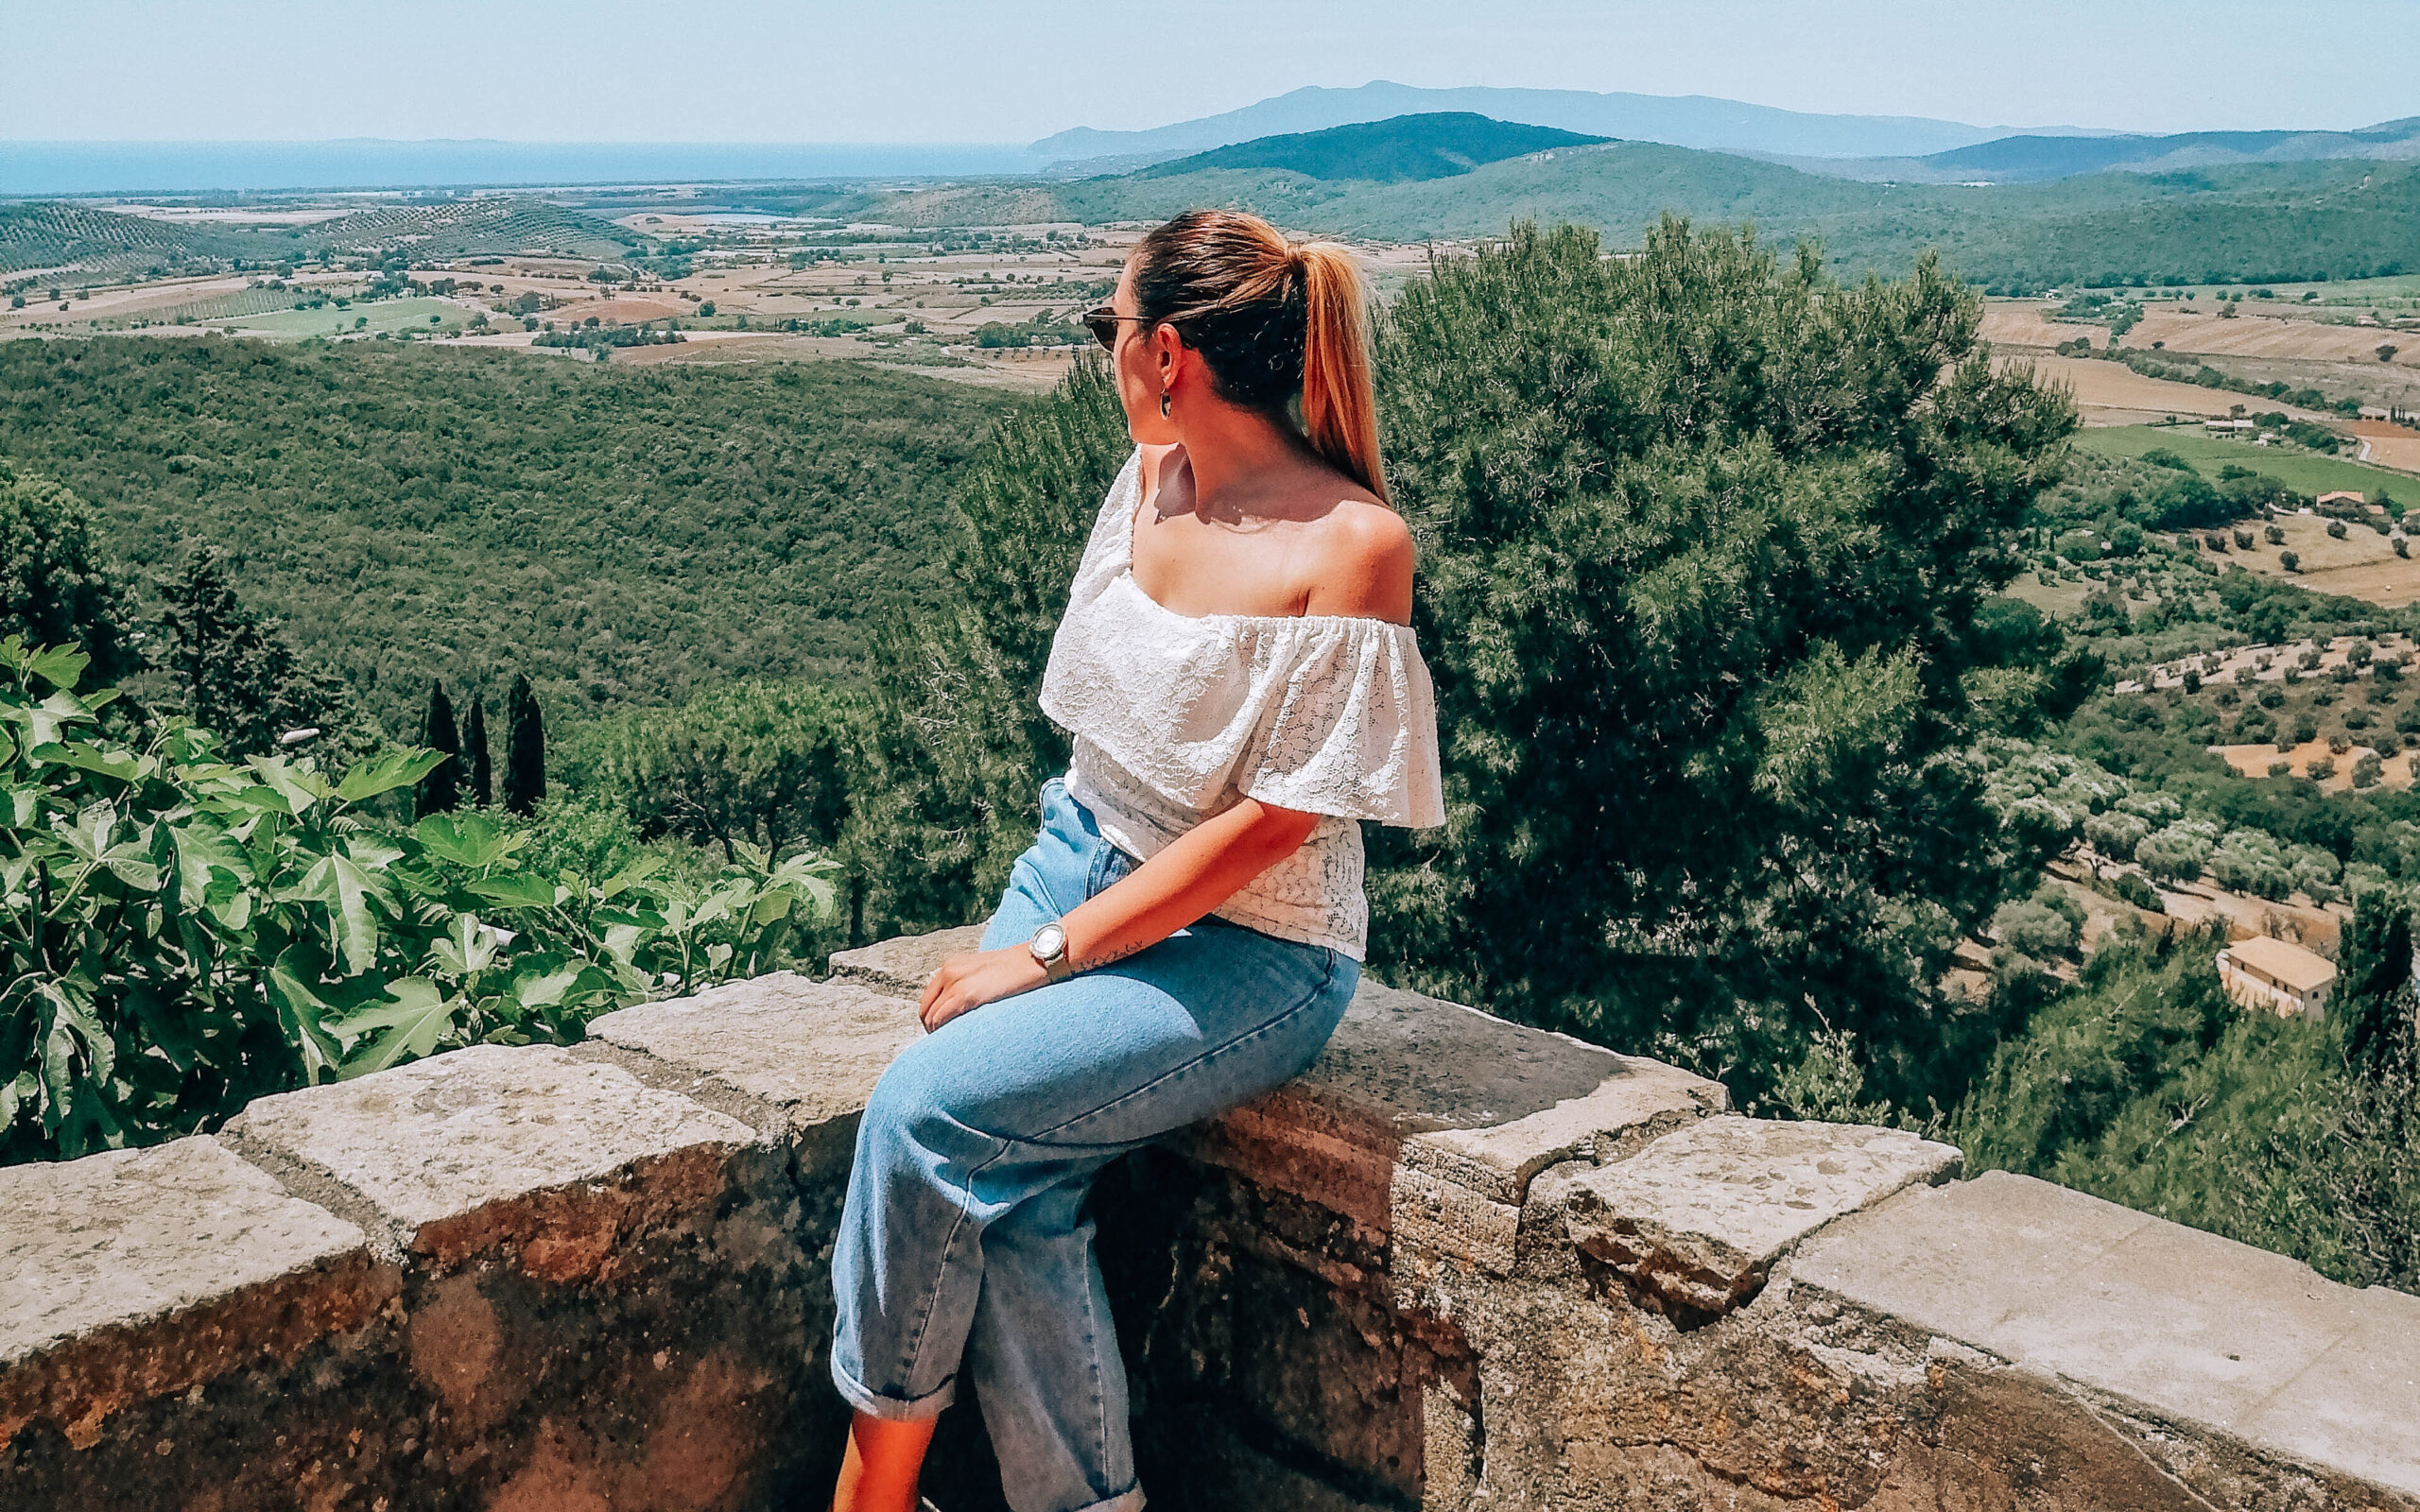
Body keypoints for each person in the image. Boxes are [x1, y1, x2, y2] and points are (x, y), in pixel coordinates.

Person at [827, 209, 1445, 1512]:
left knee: (921, 1117)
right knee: (1015, 1189)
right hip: (1078, 853)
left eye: (1107, 328)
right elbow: (1111, 751)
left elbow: (1280, 823)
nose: (1102, 352)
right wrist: (1061, 911)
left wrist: (1045, 957)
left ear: (1168, 352)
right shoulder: (1148, 484)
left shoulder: (1353, 545)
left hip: (1254, 951)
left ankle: (867, 1496)